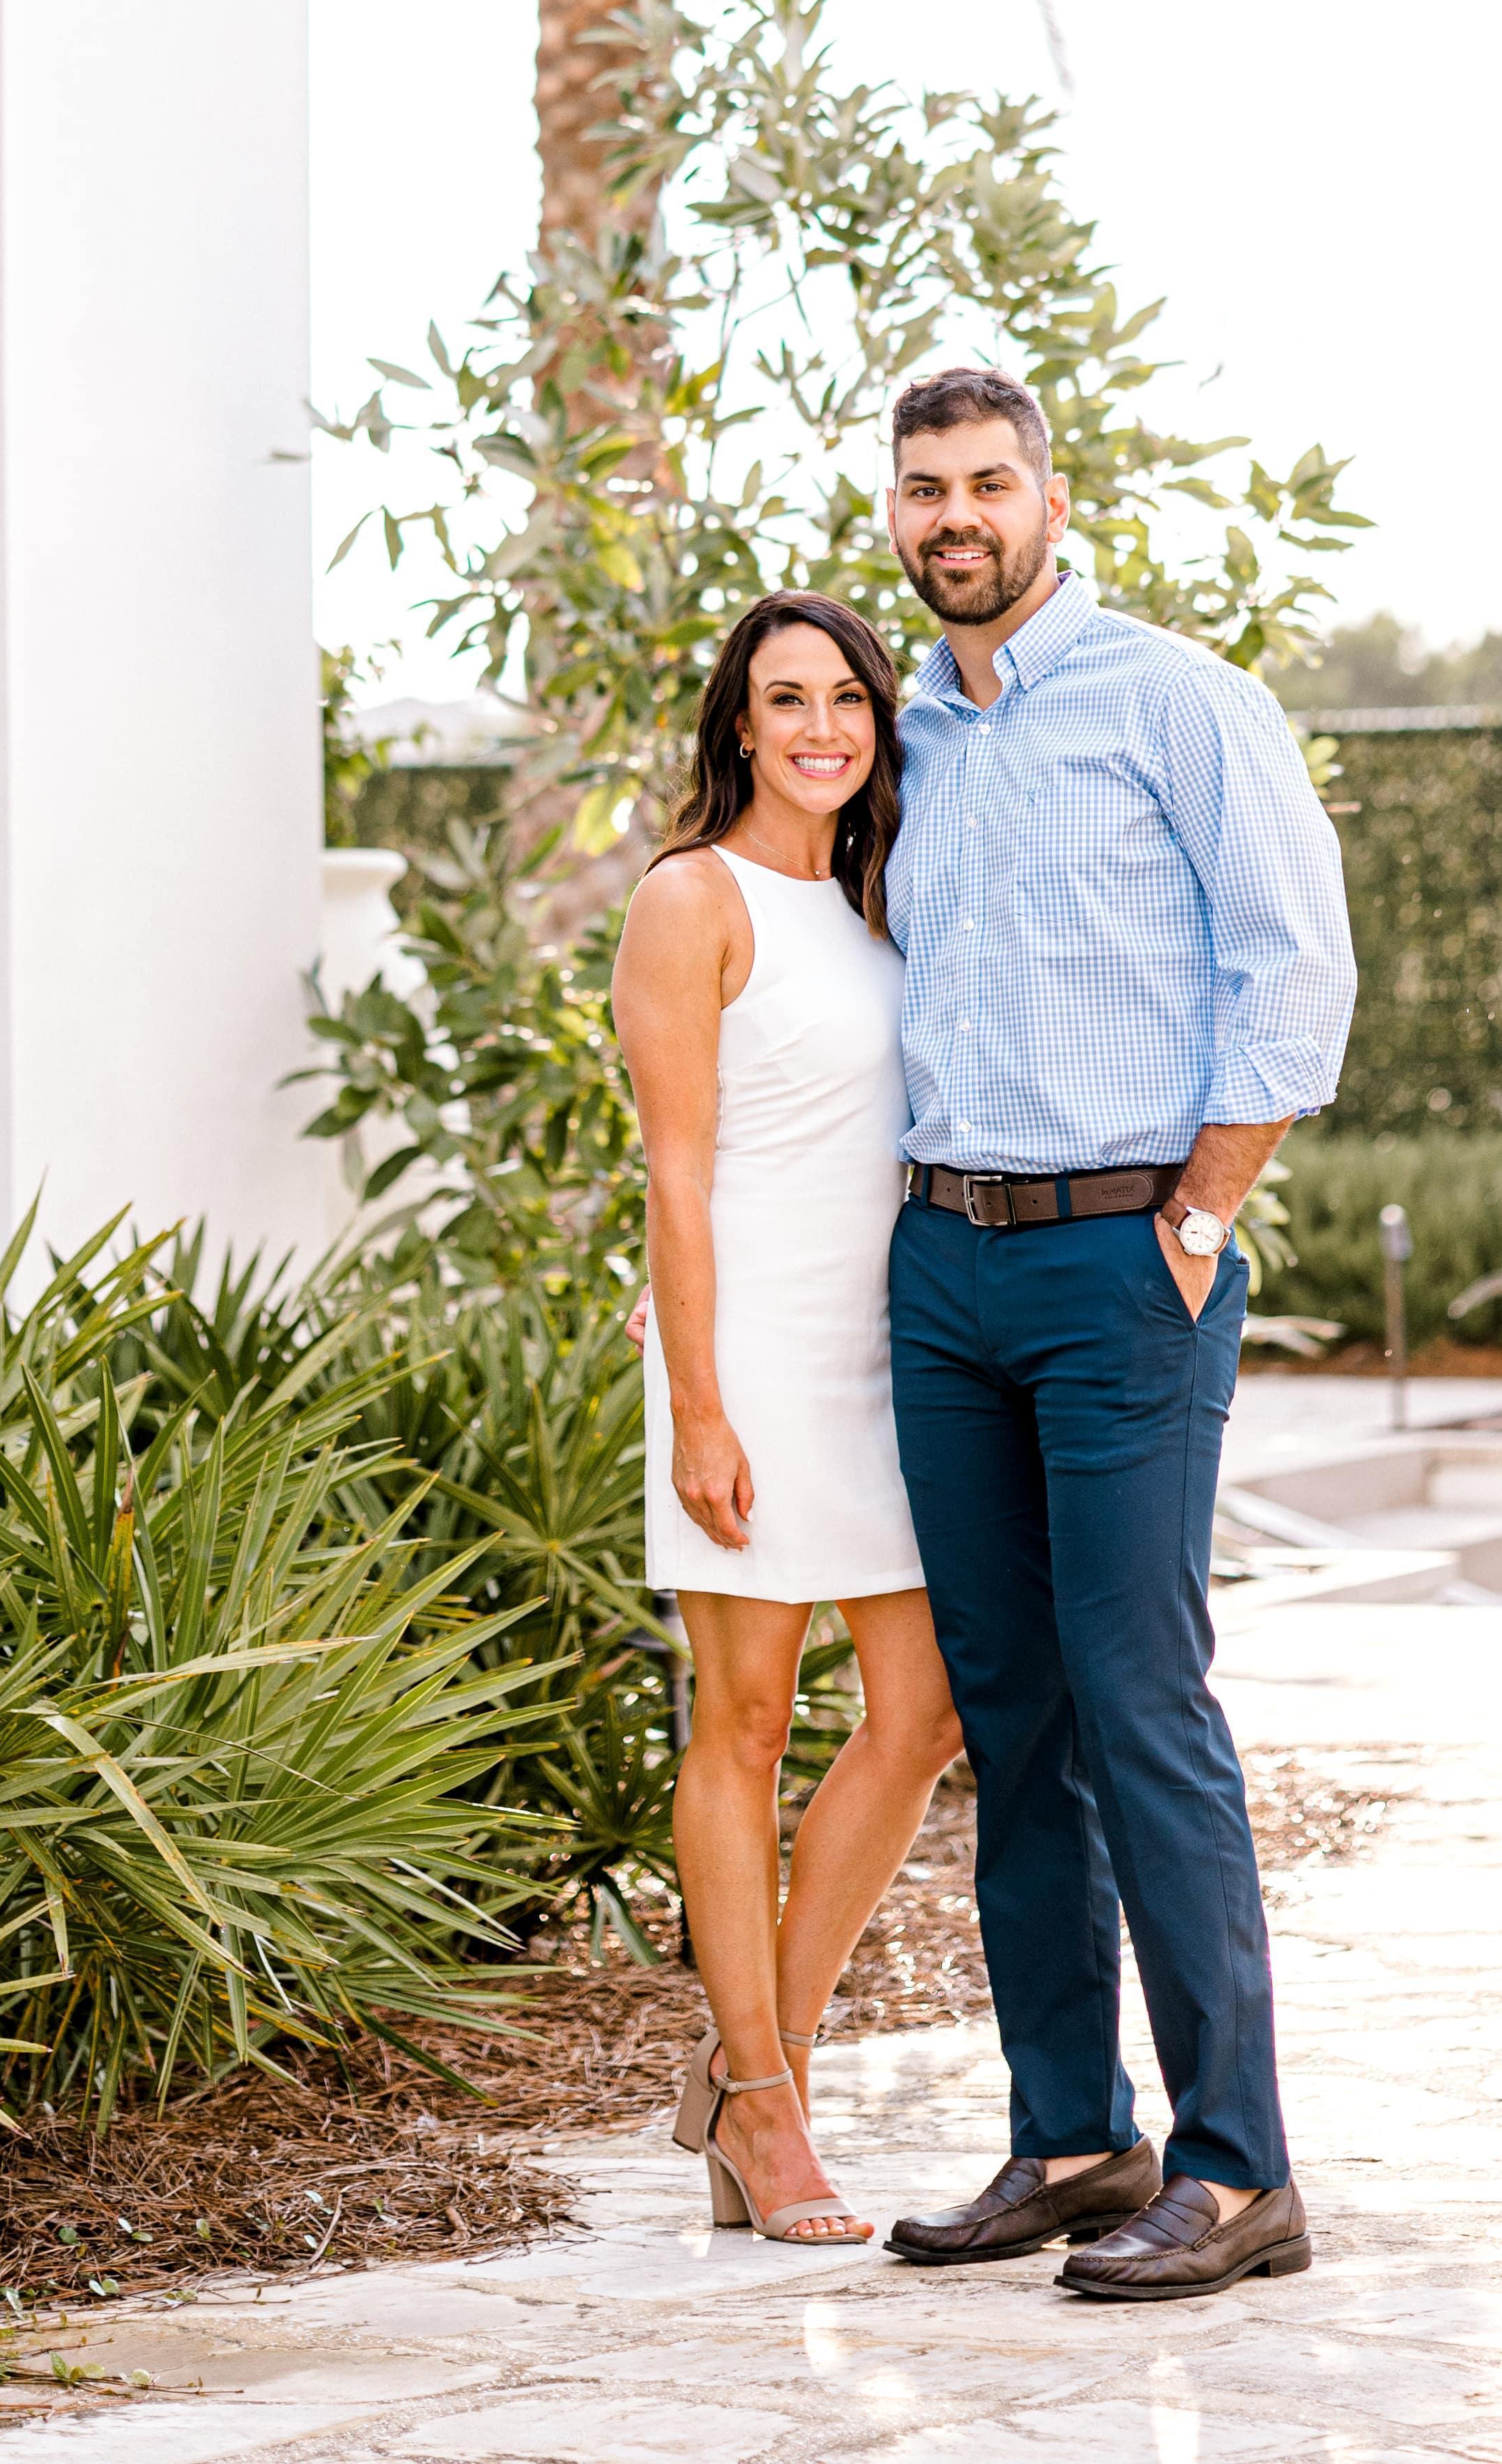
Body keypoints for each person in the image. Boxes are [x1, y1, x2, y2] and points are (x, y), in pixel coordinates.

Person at [873, 363, 1357, 2302]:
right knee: (1013, 1715)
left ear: (1051, 502)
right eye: (926, 489)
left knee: (1143, 1700)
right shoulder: (904, 732)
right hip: (944, 1265)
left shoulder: (1176, 700)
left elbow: (1295, 966)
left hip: (1121, 1260)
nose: (958, 517)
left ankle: (1239, 2170)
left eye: (989, 483)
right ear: (896, 514)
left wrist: (1203, 1217)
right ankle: (1074, 2137)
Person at [611, 591, 965, 2248]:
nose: (822, 727)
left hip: (887, 1351)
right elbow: (678, 1170)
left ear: (879, 724)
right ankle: (764, 2101)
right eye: (787, 700)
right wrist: (697, 1400)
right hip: (745, 1346)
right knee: (745, 1721)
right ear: (738, 728)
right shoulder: (691, 897)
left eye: (849, 699)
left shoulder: (889, 900)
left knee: (925, 1712)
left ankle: (765, 2064)